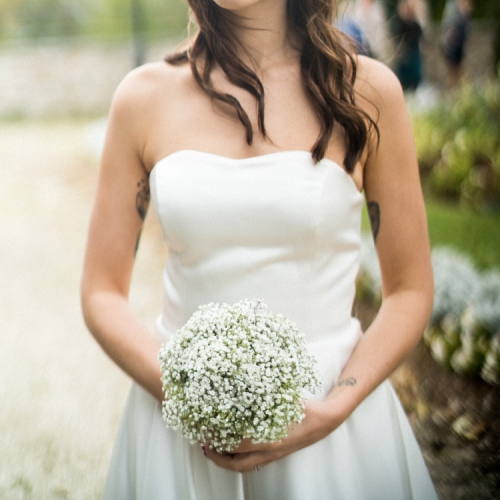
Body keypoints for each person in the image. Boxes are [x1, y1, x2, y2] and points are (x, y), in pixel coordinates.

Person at [81, 0, 438, 498]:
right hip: (183, 434)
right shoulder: (143, 98)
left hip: (331, 430)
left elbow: (410, 290)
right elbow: (101, 292)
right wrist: (189, 393)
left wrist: (334, 407)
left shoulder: (368, 92)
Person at [390, 0, 426, 91]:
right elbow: (395, 35)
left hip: (413, 52)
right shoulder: (397, 22)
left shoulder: (413, 23)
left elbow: (419, 34)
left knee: (415, 77)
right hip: (402, 55)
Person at [441, 0, 472, 87]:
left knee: (458, 69)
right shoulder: (453, 7)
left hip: (459, 42)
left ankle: (460, 90)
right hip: (452, 44)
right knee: (453, 70)